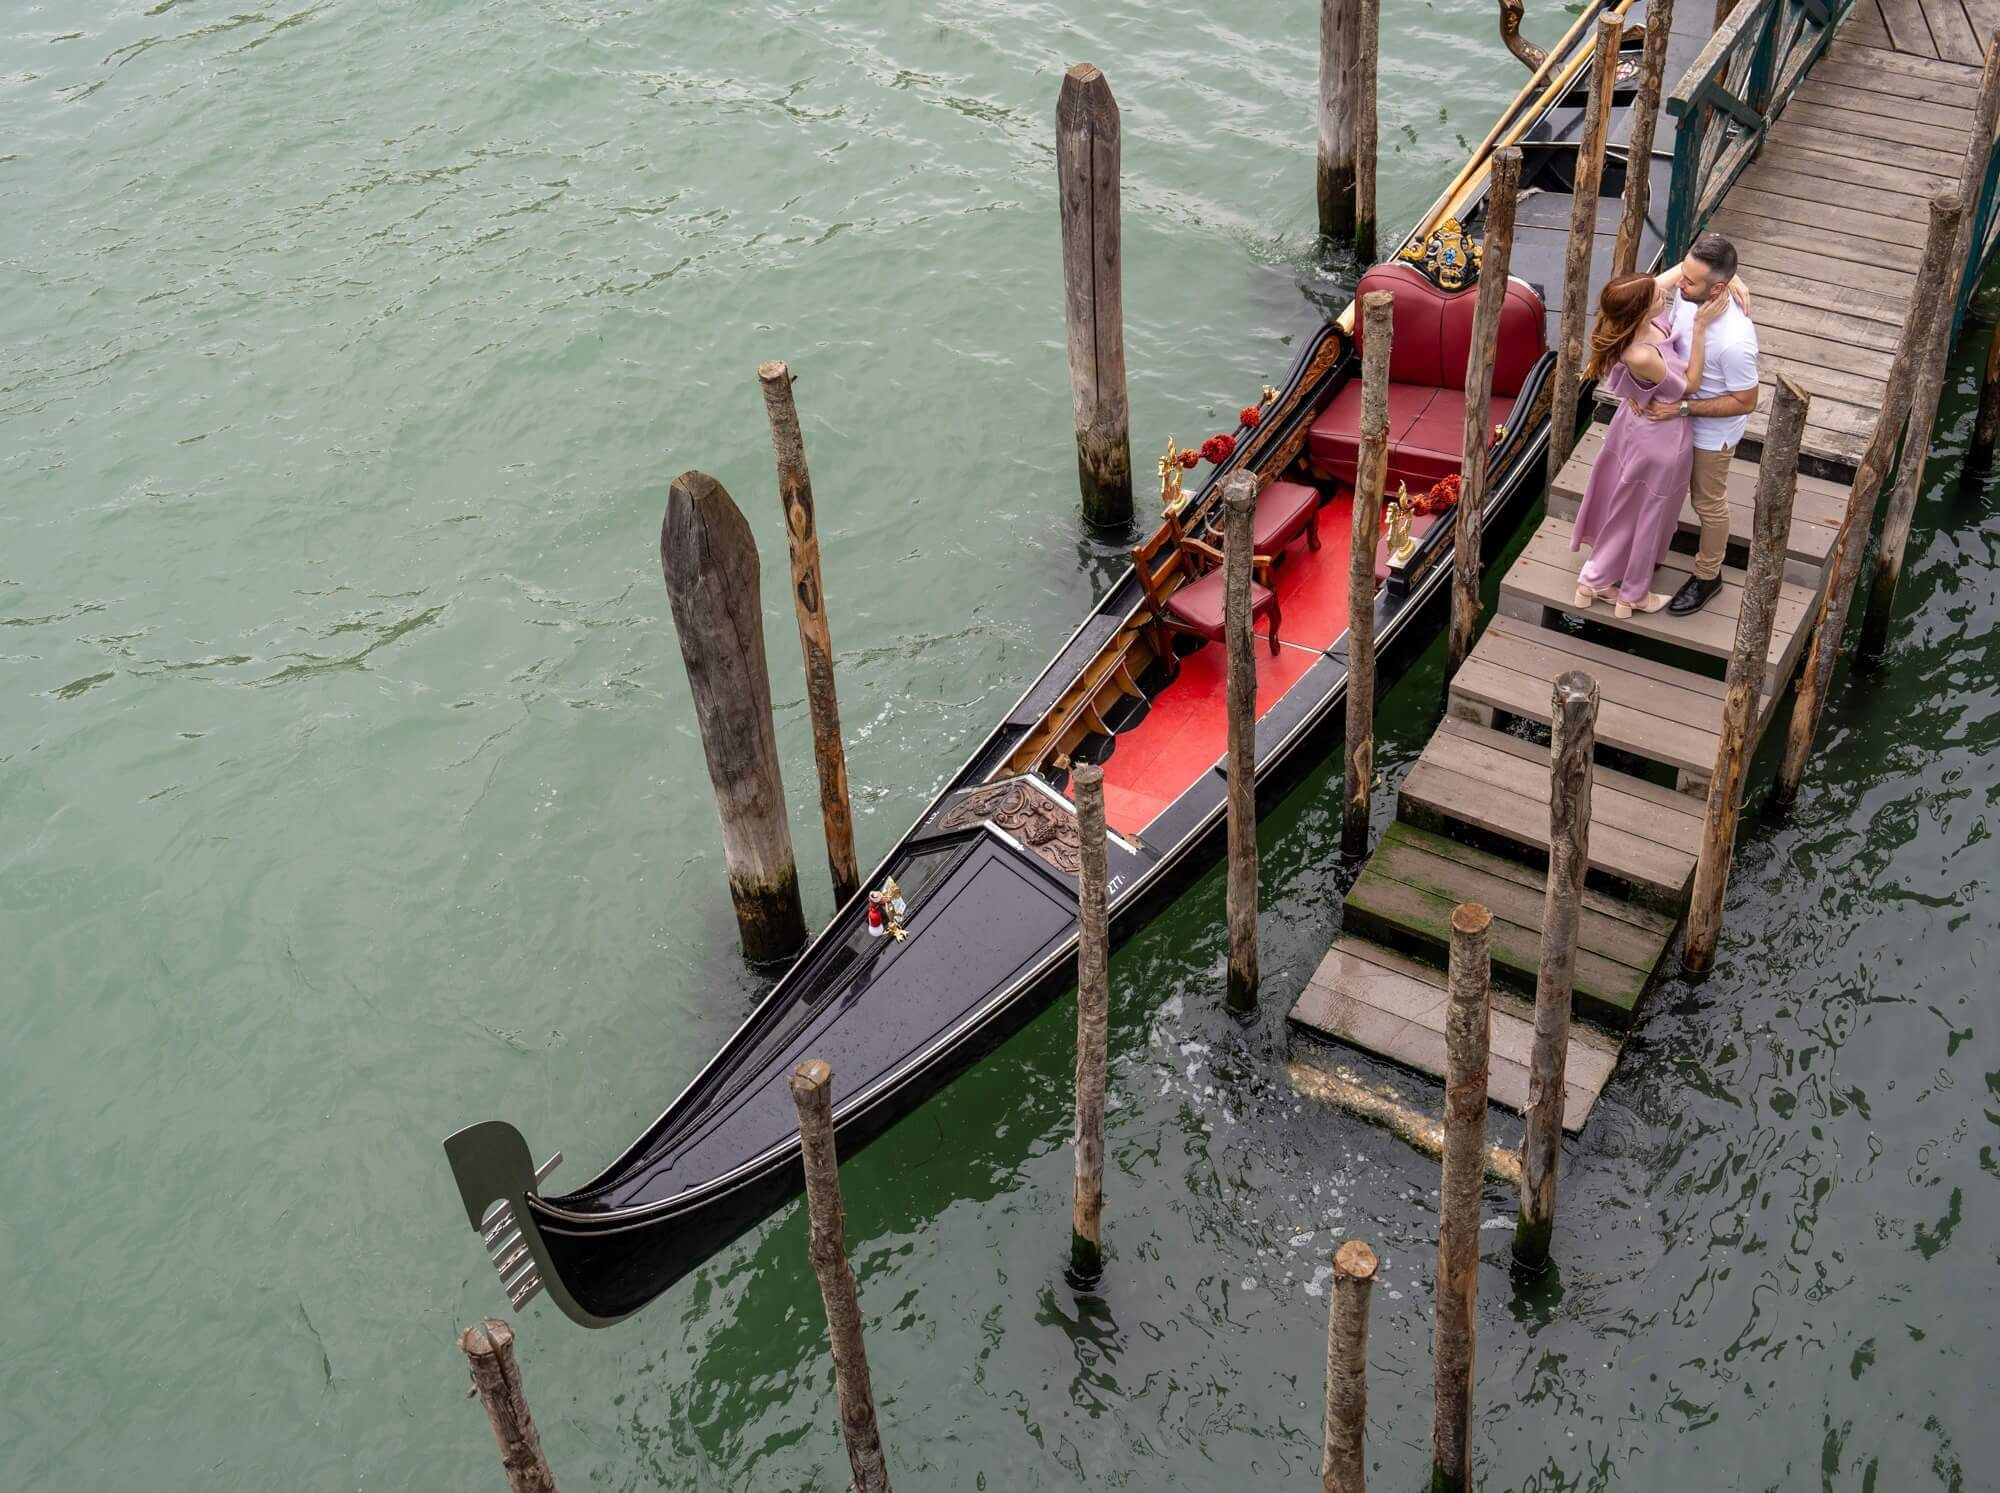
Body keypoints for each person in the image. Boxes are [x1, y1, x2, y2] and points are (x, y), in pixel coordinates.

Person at [1569, 273, 1728, 617]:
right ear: (1640, 309)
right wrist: (1700, 328)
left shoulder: (1633, 321)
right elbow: (1688, 384)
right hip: (1661, 438)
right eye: (1656, 295)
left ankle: (1594, 581)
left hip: (1633, 430)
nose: (1666, 292)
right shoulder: (1641, 353)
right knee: (1648, 515)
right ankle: (1633, 594)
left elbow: (1672, 275)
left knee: (1625, 506)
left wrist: (1734, 281)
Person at [1642, 232, 1761, 615]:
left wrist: (1684, 411)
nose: (1680, 282)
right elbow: (1649, 285)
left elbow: (1747, 401)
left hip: (1707, 431)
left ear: (1718, 288)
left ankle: (1709, 574)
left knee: (1708, 503)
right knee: (1662, 488)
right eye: (1683, 273)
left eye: (1689, 280)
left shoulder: (1734, 341)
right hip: (1671, 415)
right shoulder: (1691, 291)